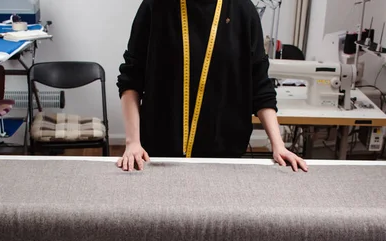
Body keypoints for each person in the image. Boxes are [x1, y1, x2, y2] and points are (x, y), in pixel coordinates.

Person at [116, 0, 308, 172]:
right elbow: (131, 78)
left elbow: (260, 85)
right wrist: (133, 142)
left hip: (225, 157)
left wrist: (278, 145)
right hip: (157, 155)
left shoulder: (243, 11)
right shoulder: (155, 6)